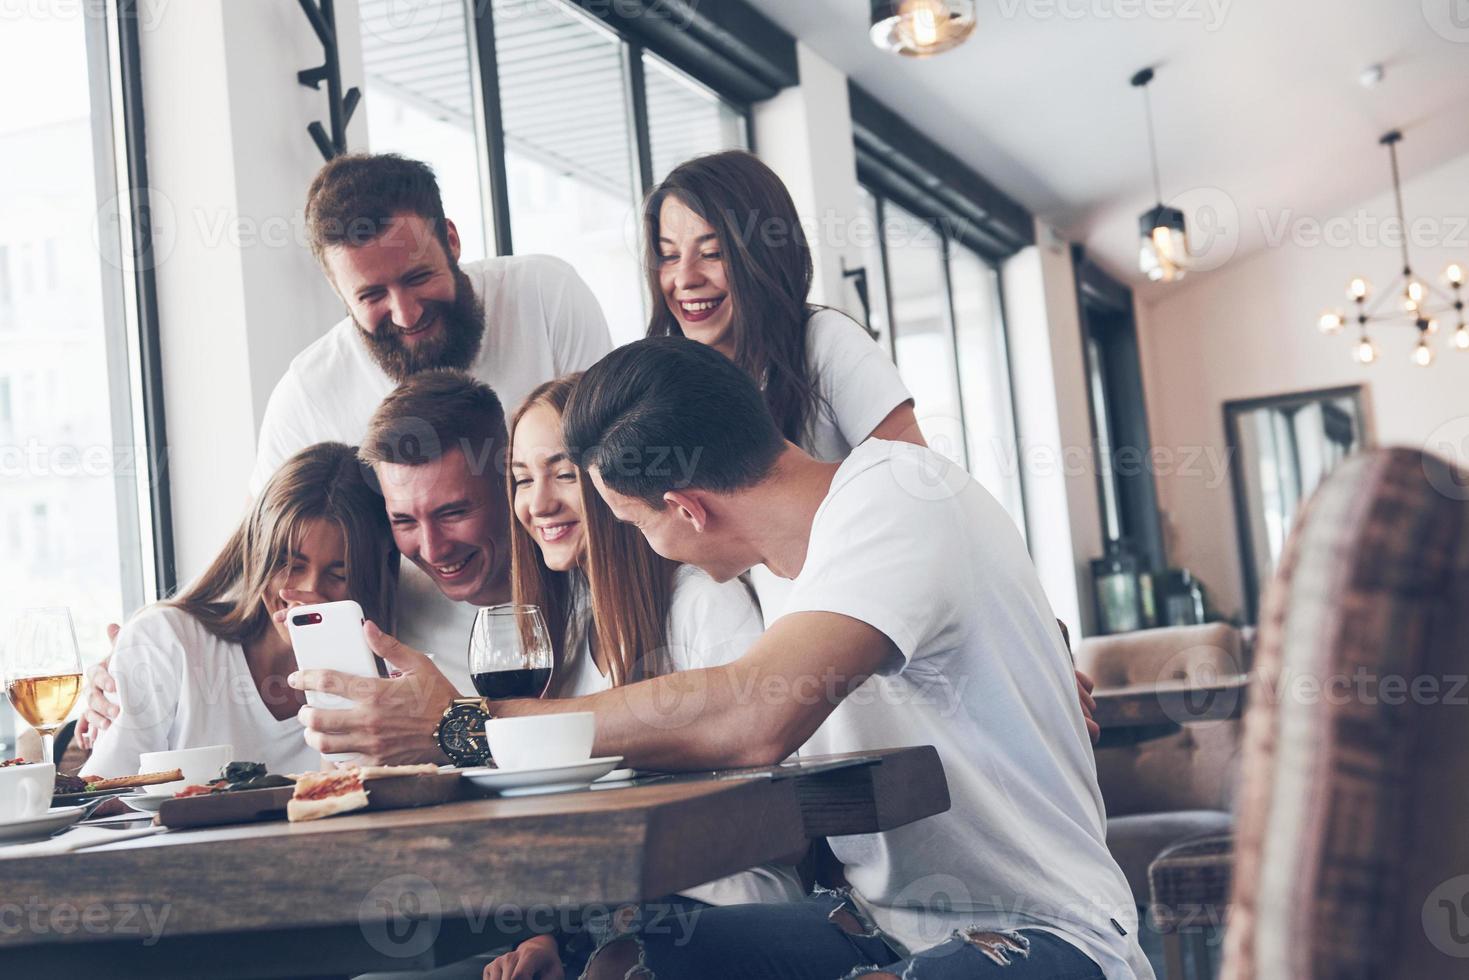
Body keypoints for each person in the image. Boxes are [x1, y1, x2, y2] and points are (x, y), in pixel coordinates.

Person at [295, 338, 1148, 979]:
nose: (641, 547)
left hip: (1044, 929)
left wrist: (464, 729)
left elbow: (749, 717)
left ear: (685, 507)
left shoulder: (897, 496)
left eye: (633, 525)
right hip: (869, 920)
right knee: (621, 955)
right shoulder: (780, 571)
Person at [80, 153, 613, 746]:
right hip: (424, 667)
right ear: (338, 291)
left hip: (585, 627)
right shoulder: (309, 395)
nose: (405, 313)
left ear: (453, 241)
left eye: (416, 277)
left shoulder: (544, 297)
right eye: (372, 295)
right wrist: (133, 667)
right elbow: (263, 565)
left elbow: (613, 483)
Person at [486, 374, 804, 978]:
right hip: (606, 923)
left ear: (610, 480)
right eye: (522, 479)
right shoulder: (563, 634)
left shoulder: (702, 601)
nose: (539, 502)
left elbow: (781, 823)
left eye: (562, 473)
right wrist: (550, 939)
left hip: (720, 907)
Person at [86, 443, 397, 778]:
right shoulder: (165, 640)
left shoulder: (382, 688)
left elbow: (350, 801)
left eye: (340, 574)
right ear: (258, 555)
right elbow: (102, 790)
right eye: (291, 564)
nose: (308, 591)